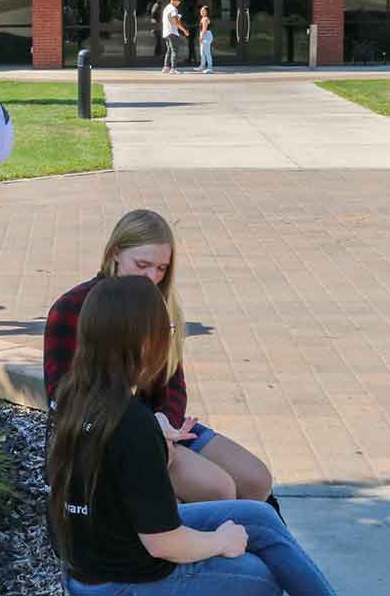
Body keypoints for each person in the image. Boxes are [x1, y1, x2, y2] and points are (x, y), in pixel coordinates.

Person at [47, 275, 337, 596]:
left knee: (260, 516)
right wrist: (221, 541)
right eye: (167, 331)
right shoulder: (132, 423)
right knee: (259, 577)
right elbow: (162, 543)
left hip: (91, 560)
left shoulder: (73, 396)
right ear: (144, 342)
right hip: (121, 583)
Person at [44, 209, 277, 508]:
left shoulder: (160, 306)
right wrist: (145, 431)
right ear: (115, 253)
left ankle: (230, 544)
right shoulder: (73, 307)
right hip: (108, 435)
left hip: (161, 426)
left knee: (257, 480)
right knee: (219, 490)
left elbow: (174, 386)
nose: (151, 277)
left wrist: (164, 421)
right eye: (142, 265)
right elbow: (62, 398)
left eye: (161, 269)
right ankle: (196, 546)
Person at [161, 0, 189, 74]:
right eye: (178, 1)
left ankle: (166, 67)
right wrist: (184, 30)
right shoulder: (173, 9)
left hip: (166, 32)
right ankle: (173, 68)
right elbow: (176, 22)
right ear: (174, 1)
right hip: (172, 32)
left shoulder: (166, 8)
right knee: (174, 51)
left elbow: (171, 20)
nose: (179, 3)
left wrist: (177, 18)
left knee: (169, 50)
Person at [196, 5, 214, 74]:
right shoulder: (203, 18)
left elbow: (204, 29)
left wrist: (201, 37)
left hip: (206, 36)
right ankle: (202, 66)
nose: (201, 11)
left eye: (203, 10)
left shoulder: (205, 19)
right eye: (201, 10)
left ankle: (210, 68)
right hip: (204, 35)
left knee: (207, 53)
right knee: (202, 52)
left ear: (207, 12)